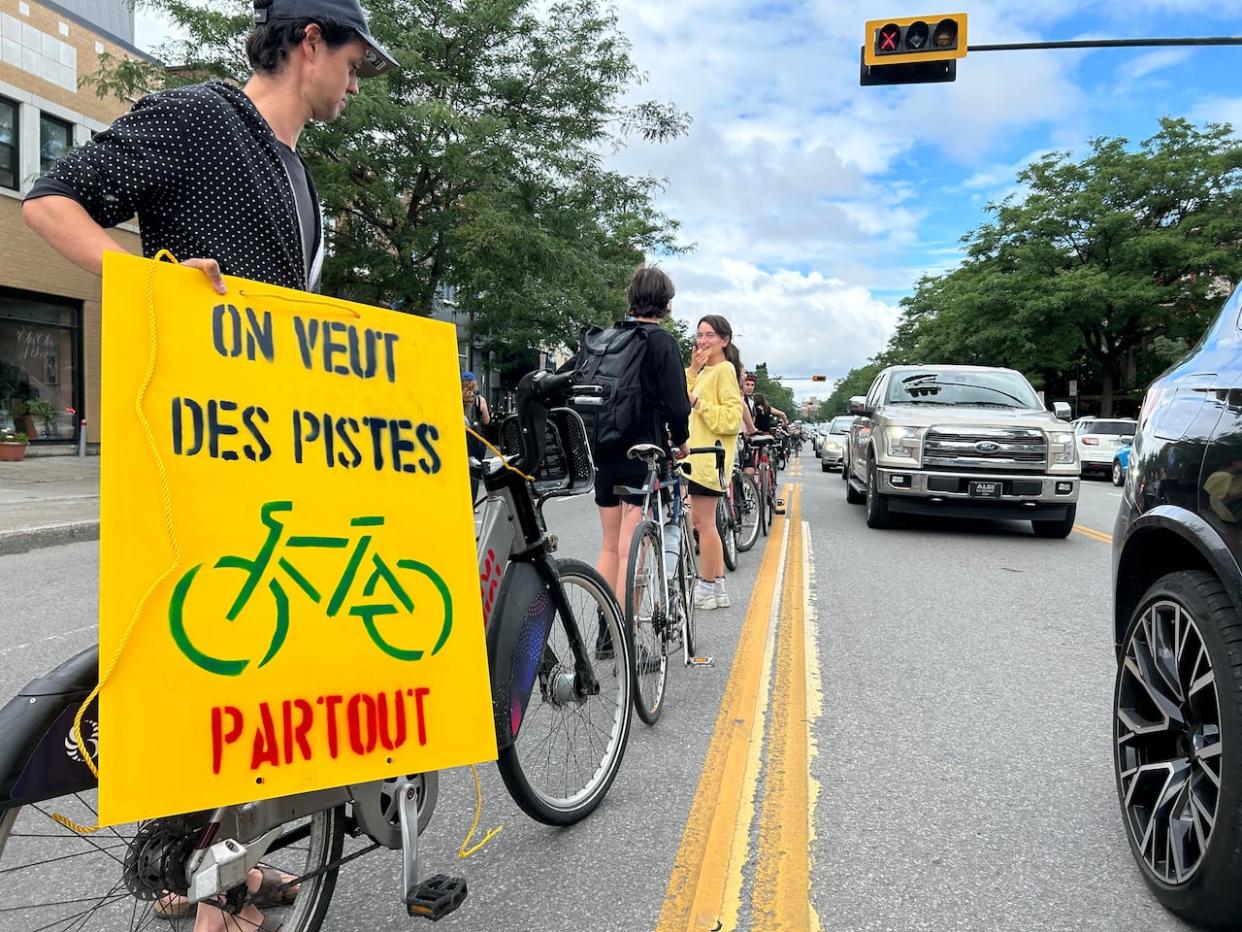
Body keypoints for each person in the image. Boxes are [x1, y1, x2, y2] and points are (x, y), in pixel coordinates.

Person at [22, 2, 397, 929]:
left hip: (276, 440)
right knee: (216, 653)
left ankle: (225, 859)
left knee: (265, 656)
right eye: (353, 61)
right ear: (309, 41)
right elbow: (48, 198)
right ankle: (208, 892)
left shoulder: (300, 173)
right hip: (200, 436)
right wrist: (144, 281)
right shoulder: (200, 117)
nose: (357, 82)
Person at [581, 267, 691, 619]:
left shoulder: (610, 339)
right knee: (633, 549)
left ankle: (604, 630)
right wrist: (682, 440)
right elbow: (676, 404)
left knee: (609, 544)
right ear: (666, 303)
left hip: (604, 447)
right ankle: (625, 632)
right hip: (642, 451)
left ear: (632, 297)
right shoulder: (661, 343)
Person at [685, 315, 743, 610]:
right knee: (705, 524)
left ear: (725, 340)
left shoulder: (724, 370)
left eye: (709, 335)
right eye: (699, 335)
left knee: (704, 524)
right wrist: (693, 370)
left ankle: (706, 588)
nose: (702, 341)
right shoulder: (707, 370)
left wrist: (698, 403)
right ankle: (718, 587)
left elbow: (732, 419)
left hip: (711, 457)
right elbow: (684, 395)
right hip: (699, 457)